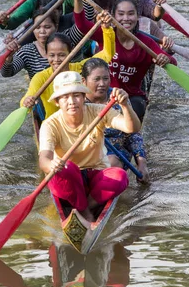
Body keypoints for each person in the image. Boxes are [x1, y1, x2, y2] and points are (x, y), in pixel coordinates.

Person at [38, 70, 140, 222]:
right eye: (65, 97)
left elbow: (132, 128)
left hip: (96, 175)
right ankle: (85, 211)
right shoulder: (50, 124)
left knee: (120, 176)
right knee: (66, 169)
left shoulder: (98, 112)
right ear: (57, 102)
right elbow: (44, 160)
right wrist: (51, 165)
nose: (71, 101)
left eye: (76, 95)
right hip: (69, 177)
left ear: (84, 97)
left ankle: (86, 207)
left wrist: (125, 106)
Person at [73, 0, 177, 120]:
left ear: (138, 16)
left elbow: (173, 62)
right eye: (121, 14)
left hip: (131, 98)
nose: (126, 19)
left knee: (132, 109)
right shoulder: (106, 33)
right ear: (113, 16)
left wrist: (165, 58)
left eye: (131, 14)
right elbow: (82, 25)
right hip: (101, 92)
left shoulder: (146, 42)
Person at [21, 12, 115, 118]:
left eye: (61, 55)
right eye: (52, 55)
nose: (56, 60)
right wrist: (27, 102)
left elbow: (107, 55)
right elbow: (26, 100)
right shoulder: (41, 78)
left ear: (70, 54)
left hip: (81, 121)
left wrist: (106, 29)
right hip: (55, 126)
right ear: (46, 55)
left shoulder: (81, 68)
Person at [82, 57, 150, 184]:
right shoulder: (76, 101)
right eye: (96, 79)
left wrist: (141, 163)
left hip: (116, 154)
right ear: (84, 81)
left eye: (105, 78)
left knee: (112, 162)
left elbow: (133, 134)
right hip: (84, 154)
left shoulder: (118, 98)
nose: (102, 84)